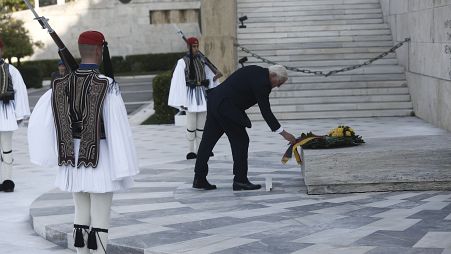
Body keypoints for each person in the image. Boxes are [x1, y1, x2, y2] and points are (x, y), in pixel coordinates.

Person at [28, 31, 139, 254]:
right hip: (102, 159)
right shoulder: (106, 85)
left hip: (72, 160)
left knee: (80, 215)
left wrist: (58, 154)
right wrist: (124, 165)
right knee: (100, 219)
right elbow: (118, 129)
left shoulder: (60, 85)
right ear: (99, 51)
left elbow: (41, 123)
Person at [193, 65, 296, 191]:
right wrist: (283, 133)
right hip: (226, 108)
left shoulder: (256, 70)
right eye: (279, 83)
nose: (278, 86)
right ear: (273, 75)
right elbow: (266, 111)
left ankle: (199, 178)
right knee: (241, 141)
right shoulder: (263, 83)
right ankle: (240, 180)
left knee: (207, 142)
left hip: (215, 100)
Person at [168, 36, 222, 160]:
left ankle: (201, 150)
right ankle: (191, 150)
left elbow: (209, 76)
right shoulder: (182, 62)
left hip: (202, 94)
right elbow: (177, 80)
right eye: (194, 46)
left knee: (202, 125)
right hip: (190, 95)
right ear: (189, 47)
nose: (196, 48)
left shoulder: (202, 59)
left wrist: (214, 78)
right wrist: (181, 99)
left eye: (197, 46)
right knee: (191, 125)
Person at [0, 37, 30, 192]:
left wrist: (19, 114)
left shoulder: (11, 69)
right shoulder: (10, 69)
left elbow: (20, 91)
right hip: (5, 114)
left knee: (7, 149)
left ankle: (7, 180)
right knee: (6, 149)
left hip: (5, 113)